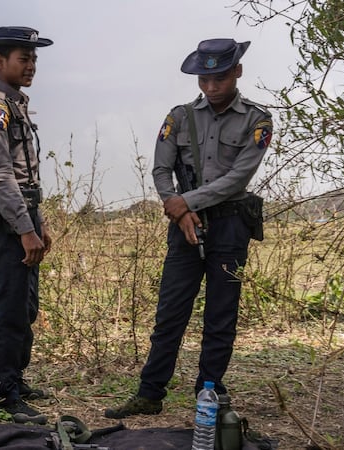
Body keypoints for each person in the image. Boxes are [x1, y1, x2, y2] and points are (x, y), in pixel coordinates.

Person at [104, 38, 272, 419]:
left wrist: (188, 202)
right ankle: (149, 394)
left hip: (230, 226)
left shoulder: (257, 120)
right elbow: (161, 170)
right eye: (204, 79)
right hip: (184, 227)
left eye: (219, 78)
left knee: (220, 316)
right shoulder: (178, 117)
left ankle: (208, 394)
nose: (210, 87)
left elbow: (238, 177)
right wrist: (178, 211)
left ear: (237, 73)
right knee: (170, 314)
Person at [0, 26, 54, 425]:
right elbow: (2, 174)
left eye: (34, 58)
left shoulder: (17, 105)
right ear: (0, 61)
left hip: (25, 216)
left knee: (26, 306)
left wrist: (41, 222)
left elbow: (29, 175)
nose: (31, 65)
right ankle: (3, 395)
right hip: (9, 223)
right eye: (24, 58)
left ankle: (15, 380)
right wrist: (24, 228)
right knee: (8, 307)